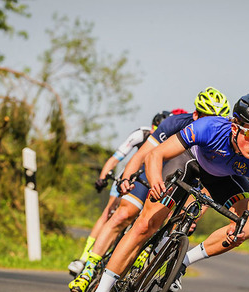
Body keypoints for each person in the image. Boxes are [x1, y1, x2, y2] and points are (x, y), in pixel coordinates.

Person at [78, 92, 249, 292]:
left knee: (244, 227)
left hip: (223, 179)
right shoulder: (209, 127)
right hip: (189, 161)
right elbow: (157, 154)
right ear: (235, 126)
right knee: (146, 225)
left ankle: (182, 262)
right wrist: (156, 182)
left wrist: (242, 231)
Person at [70, 87, 230, 292]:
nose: (212, 124)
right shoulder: (175, 123)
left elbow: (209, 188)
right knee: (123, 214)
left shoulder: (221, 141)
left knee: (171, 225)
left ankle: (136, 281)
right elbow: (144, 154)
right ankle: (88, 269)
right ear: (196, 115)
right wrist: (127, 177)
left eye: (217, 120)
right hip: (152, 172)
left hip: (181, 180)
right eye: (208, 118)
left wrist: (194, 217)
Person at [67, 111, 171, 278]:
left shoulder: (169, 143)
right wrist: (103, 176)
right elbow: (116, 157)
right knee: (110, 212)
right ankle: (84, 257)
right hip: (127, 177)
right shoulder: (141, 134)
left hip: (145, 183)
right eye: (155, 129)